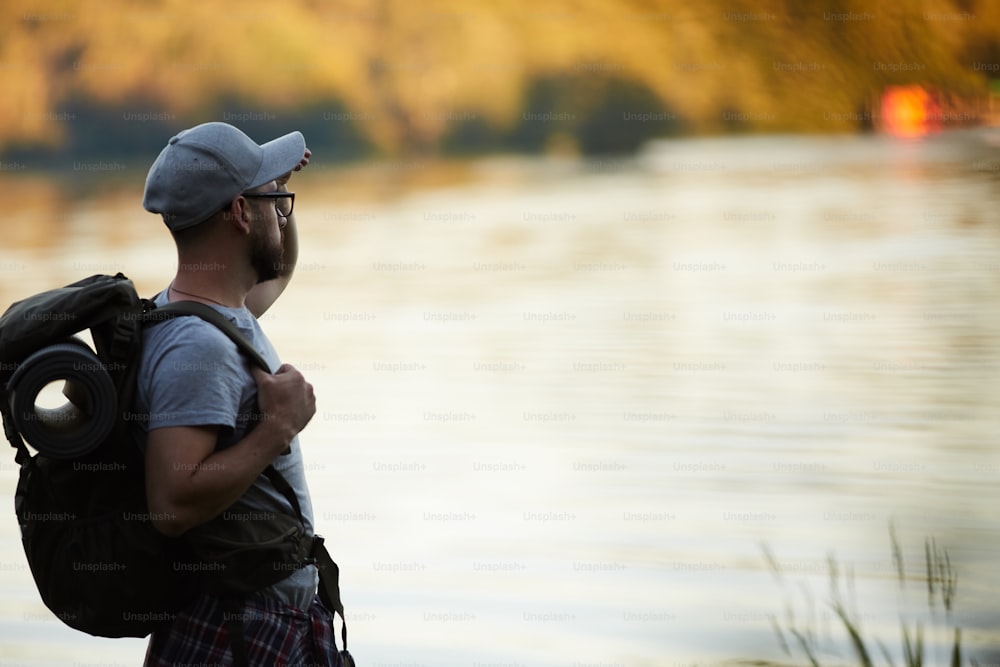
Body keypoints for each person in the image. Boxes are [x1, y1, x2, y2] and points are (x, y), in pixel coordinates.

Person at [137, 122, 342, 666]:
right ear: (237, 212)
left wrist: (273, 191)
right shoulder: (196, 347)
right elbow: (171, 505)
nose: (281, 208)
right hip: (236, 635)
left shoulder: (217, 313)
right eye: (271, 199)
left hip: (262, 622)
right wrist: (279, 428)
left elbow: (280, 268)